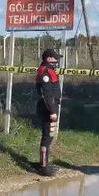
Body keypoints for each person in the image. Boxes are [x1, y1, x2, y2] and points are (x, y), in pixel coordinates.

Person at [36, 48, 63, 177]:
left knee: (48, 136)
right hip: (48, 108)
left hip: (49, 106)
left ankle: (44, 163)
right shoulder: (46, 72)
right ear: (48, 59)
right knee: (47, 137)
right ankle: (44, 167)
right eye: (55, 58)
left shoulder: (47, 70)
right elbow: (46, 93)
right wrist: (52, 111)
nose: (57, 60)